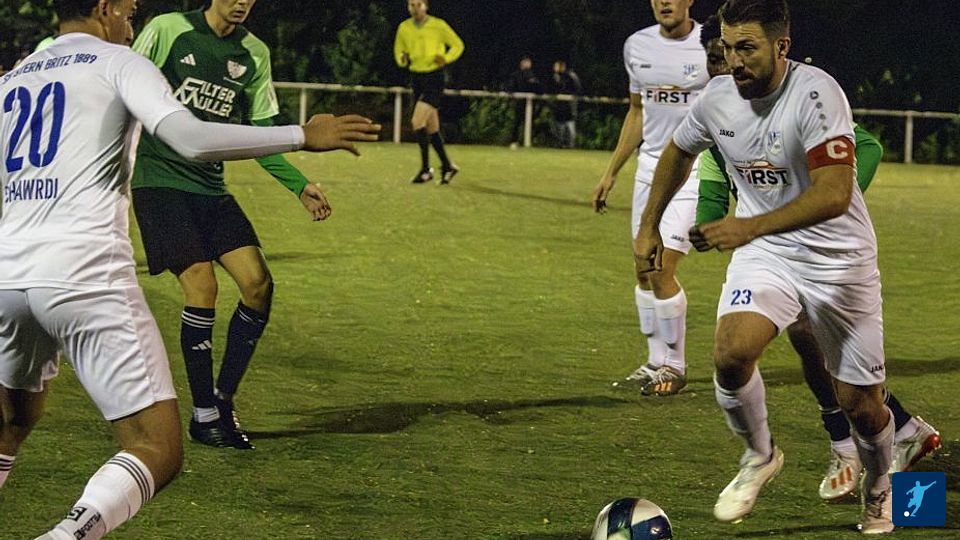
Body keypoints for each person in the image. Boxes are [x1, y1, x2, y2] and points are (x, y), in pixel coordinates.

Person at [0, 0, 379, 538]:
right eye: (128, 11)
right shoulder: (118, 61)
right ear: (105, 8)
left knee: (10, 425)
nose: (131, 24)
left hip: (9, 274)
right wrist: (302, 135)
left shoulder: (15, 79)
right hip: (84, 273)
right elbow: (193, 138)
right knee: (156, 447)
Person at [634, 0, 895, 532]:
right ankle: (760, 455)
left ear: (782, 46)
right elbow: (678, 152)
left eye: (747, 48)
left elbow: (835, 193)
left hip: (838, 261)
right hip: (769, 254)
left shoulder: (817, 93)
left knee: (862, 407)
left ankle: (881, 486)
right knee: (731, 355)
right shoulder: (717, 97)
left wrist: (748, 226)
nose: (734, 61)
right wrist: (648, 226)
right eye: (728, 48)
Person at [693, 14, 941, 502]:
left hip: (832, 253)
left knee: (821, 349)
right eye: (715, 58)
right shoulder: (720, 120)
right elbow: (712, 193)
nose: (726, 66)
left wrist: (822, 206)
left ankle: (872, 455)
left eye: (735, 53)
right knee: (802, 345)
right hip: (778, 252)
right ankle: (891, 436)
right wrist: (700, 229)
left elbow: (866, 148)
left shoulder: (801, 100)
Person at [130, 0, 337, 450]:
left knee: (258, 284)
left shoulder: (254, 53)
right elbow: (123, 90)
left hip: (211, 188)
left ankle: (223, 399)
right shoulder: (167, 30)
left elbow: (261, 131)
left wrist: (299, 185)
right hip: (158, 182)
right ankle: (203, 414)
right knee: (202, 285)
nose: (243, 1)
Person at [592, 0, 708, 396]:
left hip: (693, 170)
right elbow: (637, 112)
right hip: (649, 171)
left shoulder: (710, 44)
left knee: (660, 267)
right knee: (643, 269)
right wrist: (611, 172)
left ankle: (676, 365)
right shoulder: (637, 45)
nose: (664, 2)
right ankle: (655, 360)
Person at [393, 0, 464, 184]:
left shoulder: (438, 25)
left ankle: (425, 170)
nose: (415, 8)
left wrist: (446, 58)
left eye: (418, 4)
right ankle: (447, 166)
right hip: (416, 78)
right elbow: (399, 51)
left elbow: (458, 45)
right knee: (432, 128)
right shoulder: (404, 27)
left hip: (434, 78)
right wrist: (403, 59)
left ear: (426, 6)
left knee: (417, 122)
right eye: (411, 5)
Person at [507, 55, 541, 149]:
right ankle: (514, 141)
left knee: (530, 123)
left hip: (531, 103)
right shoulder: (516, 75)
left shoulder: (533, 75)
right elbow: (510, 87)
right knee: (517, 123)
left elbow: (539, 89)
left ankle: (529, 141)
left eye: (528, 62)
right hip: (519, 103)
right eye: (525, 62)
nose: (527, 64)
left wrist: (534, 84)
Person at [548, 59, 582, 148]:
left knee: (571, 130)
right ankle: (561, 144)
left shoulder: (569, 77)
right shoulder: (553, 77)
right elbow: (551, 89)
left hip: (568, 108)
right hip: (558, 108)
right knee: (559, 129)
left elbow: (577, 88)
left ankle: (570, 145)